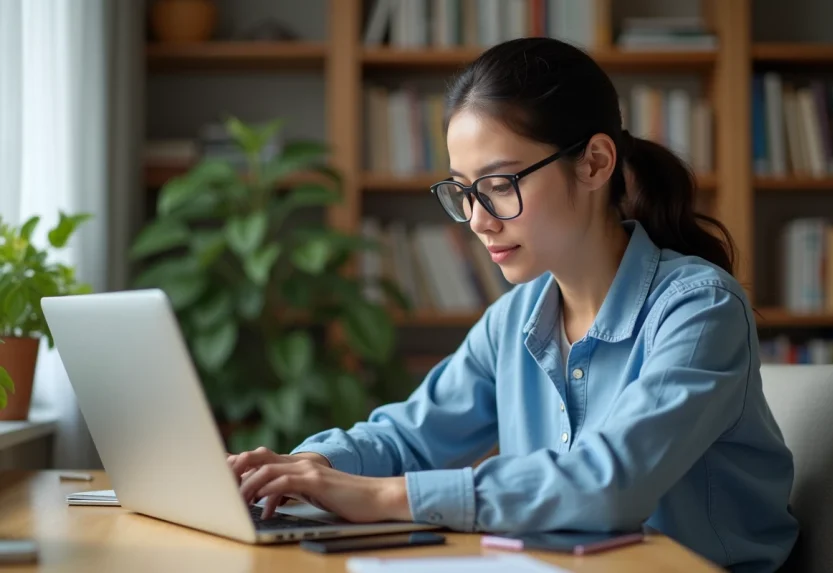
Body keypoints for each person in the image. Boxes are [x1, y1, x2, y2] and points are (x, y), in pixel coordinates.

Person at [227, 37, 798, 572]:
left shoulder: (700, 309)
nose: (478, 219)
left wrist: (380, 496)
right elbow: (412, 437)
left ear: (595, 163)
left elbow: (607, 484)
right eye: (463, 191)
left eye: (500, 185)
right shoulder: (514, 318)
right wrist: (312, 466)